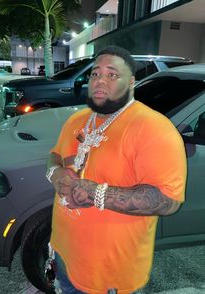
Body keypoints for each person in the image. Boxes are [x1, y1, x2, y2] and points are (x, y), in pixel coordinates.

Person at [46, 45, 187, 294]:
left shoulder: (153, 128)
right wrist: (55, 174)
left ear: (132, 81)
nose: (100, 81)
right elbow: (54, 157)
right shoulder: (76, 120)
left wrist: (96, 193)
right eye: (95, 74)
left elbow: (168, 201)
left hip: (110, 276)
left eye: (112, 75)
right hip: (63, 255)